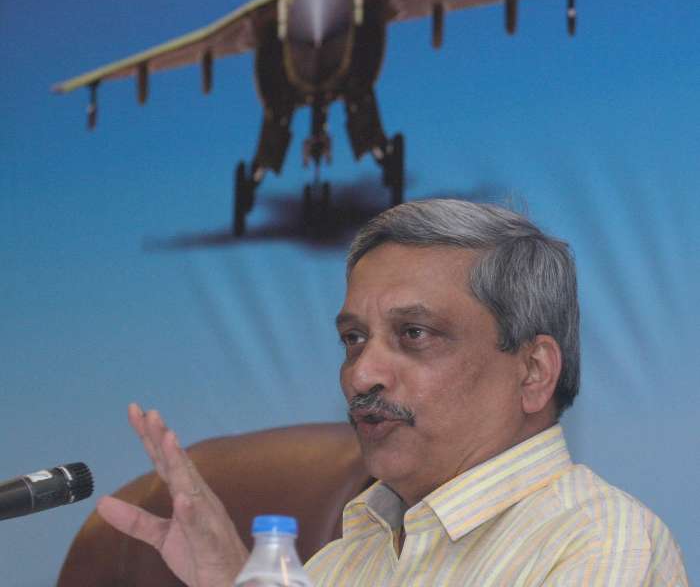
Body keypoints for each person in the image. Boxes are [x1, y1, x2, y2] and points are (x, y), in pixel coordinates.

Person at [97, 199, 688, 586]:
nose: (361, 375)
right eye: (354, 339)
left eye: (415, 334)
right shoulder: (344, 561)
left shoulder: (599, 547)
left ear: (532, 371)